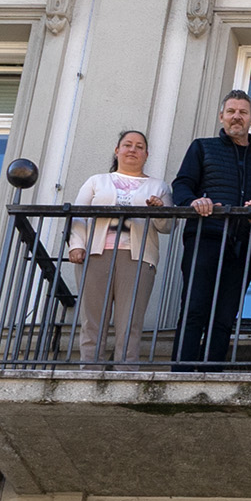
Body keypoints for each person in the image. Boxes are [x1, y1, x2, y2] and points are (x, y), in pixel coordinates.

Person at [169, 91, 251, 368]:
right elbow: (181, 185)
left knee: (225, 314)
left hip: (243, 247)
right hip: (206, 238)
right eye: (231, 111)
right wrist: (194, 201)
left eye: (242, 112)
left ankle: (211, 372)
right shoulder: (202, 147)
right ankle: (180, 373)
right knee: (194, 307)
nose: (236, 116)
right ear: (221, 116)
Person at [65, 129, 163, 364]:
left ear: (146, 154)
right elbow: (78, 214)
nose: (133, 150)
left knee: (130, 319)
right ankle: (89, 368)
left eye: (139, 147)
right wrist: (76, 245)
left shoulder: (159, 186)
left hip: (137, 257)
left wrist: (158, 208)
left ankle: (125, 370)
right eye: (127, 145)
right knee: (92, 318)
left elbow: (166, 226)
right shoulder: (97, 181)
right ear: (117, 150)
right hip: (97, 253)